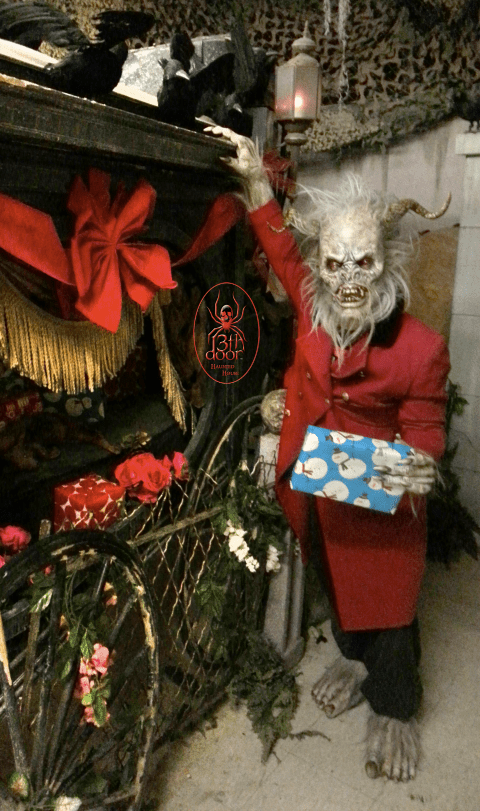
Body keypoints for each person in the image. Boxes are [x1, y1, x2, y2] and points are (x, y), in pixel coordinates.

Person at [208, 126, 451, 782]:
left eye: (363, 264)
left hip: (381, 504)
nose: (347, 281)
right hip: (312, 487)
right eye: (334, 264)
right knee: (334, 585)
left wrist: (409, 465)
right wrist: (255, 179)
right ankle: (352, 657)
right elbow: (280, 246)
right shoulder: (312, 303)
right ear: (319, 267)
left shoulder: (420, 349)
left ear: (386, 264)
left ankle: (395, 705)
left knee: (389, 607)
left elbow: (425, 435)